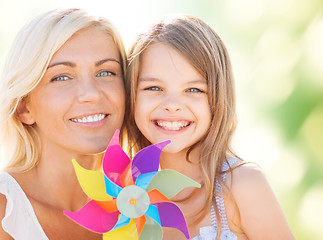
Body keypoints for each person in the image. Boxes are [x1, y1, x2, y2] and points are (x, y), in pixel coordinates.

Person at [125, 14, 295, 239]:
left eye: (194, 90)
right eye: (154, 88)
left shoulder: (242, 185)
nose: (173, 105)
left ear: (218, 96)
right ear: (131, 95)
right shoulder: (126, 200)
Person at [0, 8, 126, 239]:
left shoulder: (137, 208)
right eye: (61, 77)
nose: (92, 94)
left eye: (106, 72)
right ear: (24, 108)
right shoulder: (5, 208)